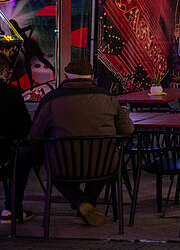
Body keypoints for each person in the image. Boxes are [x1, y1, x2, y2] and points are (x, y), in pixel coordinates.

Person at [28, 57, 133, 227]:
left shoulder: (50, 100)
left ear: (65, 76)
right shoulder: (108, 98)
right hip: (103, 165)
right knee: (105, 163)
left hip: (62, 166)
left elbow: (35, 134)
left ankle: (80, 201)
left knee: (51, 166)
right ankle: (86, 203)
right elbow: (127, 130)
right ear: (92, 77)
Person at [0, 52, 33, 224]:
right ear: (4, 71)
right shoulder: (10, 93)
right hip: (3, 156)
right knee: (23, 154)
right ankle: (12, 208)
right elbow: (24, 127)